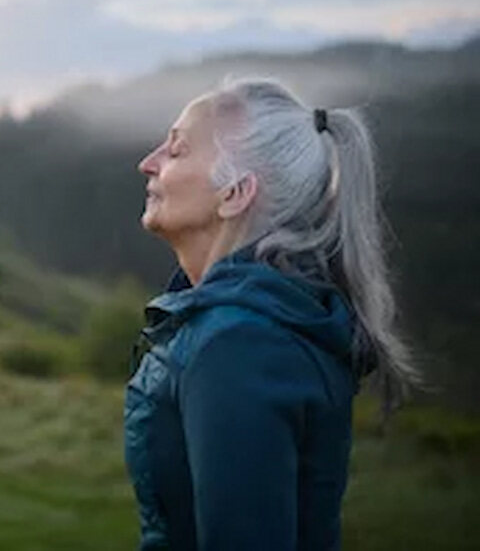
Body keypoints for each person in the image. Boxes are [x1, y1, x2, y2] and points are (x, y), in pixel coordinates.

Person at [124, 77, 421, 550]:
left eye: (176, 151)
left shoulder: (237, 346)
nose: (149, 163)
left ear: (235, 193)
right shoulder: (248, 323)